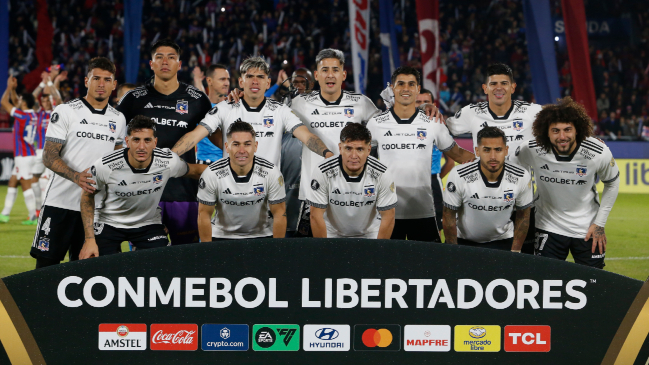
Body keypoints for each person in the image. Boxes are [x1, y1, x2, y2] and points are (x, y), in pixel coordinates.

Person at [31, 57, 127, 268]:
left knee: (87, 271)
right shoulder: (66, 111)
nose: (101, 84)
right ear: (86, 81)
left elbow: (118, 161)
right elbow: (48, 156)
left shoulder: (119, 119)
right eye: (96, 78)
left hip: (96, 209)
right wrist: (76, 177)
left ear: (114, 84)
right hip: (59, 204)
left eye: (107, 79)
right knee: (45, 268)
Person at [117, 39, 213, 245]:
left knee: (186, 258)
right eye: (159, 57)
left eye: (171, 58)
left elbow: (219, 136)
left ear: (179, 64)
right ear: (151, 64)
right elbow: (114, 139)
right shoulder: (133, 98)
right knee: (143, 259)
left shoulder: (197, 99)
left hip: (184, 191)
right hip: (143, 192)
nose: (165, 62)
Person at [366, 67, 475, 242]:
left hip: (423, 210)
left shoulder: (433, 123)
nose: (406, 88)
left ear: (418, 89)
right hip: (387, 212)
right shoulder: (376, 123)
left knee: (428, 266)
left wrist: (490, 163)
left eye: (411, 84)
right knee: (388, 266)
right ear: (393, 88)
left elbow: (458, 153)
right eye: (400, 84)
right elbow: (361, 159)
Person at [445, 63, 542, 253]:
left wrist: (588, 137)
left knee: (522, 262)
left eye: (504, 83)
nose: (499, 87)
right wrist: (460, 153)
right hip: (484, 199)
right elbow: (441, 130)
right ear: (485, 88)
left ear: (513, 87)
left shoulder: (532, 112)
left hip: (520, 195)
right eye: (494, 83)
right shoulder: (471, 112)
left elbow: (564, 122)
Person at [78, 116, 206, 259]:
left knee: (163, 263)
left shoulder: (167, 161)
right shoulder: (106, 165)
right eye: (136, 140)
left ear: (155, 142)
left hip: (147, 223)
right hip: (108, 223)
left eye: (147, 140)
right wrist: (89, 240)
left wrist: (228, 173)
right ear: (127, 141)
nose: (141, 147)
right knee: (96, 265)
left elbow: (196, 171)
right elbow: (86, 196)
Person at [172, 56, 332, 170]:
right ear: (241, 81)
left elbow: (307, 136)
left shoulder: (280, 111)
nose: (255, 81)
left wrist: (327, 154)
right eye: (250, 76)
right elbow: (194, 136)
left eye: (260, 77)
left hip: (269, 196)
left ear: (268, 82)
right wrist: (169, 156)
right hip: (230, 194)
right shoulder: (224, 108)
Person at [516, 97, 620, 268]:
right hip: (547, 226)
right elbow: (515, 172)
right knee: (547, 282)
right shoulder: (532, 149)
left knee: (593, 284)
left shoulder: (597, 151)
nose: (562, 136)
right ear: (546, 132)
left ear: (577, 130)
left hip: (588, 229)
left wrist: (600, 224)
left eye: (567, 130)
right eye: (555, 131)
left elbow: (612, 183)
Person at [290, 49, 381, 236]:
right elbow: (270, 115)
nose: (330, 75)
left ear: (343, 74)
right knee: (312, 259)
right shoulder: (299, 103)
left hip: (354, 195)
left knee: (352, 256)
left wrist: (420, 107)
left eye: (335, 69)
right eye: (324, 70)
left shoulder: (362, 103)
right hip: (313, 196)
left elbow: (388, 127)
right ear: (316, 75)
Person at [443, 127, 533, 251]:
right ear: (477, 151)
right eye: (486, 150)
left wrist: (515, 251)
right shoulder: (459, 174)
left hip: (503, 241)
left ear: (506, 150)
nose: (493, 156)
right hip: (464, 241)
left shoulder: (521, 176)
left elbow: (523, 216)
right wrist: (453, 250)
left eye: (498, 150)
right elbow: (449, 216)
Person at [197, 121, 287, 241]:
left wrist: (277, 250)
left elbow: (279, 214)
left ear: (255, 146)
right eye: (236, 144)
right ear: (227, 147)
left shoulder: (271, 172)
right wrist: (207, 251)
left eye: (247, 144)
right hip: (222, 236)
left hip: (262, 236)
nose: (242, 150)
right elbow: (204, 215)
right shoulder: (211, 174)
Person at [308, 123, 397, 239]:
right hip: (332, 234)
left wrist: (378, 250)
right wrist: (324, 249)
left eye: (360, 149)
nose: (354, 156)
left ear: (368, 150)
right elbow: (315, 215)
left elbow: (388, 216)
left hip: (369, 234)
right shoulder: (323, 171)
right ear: (340, 148)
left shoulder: (382, 173)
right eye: (348, 148)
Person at [0, 77, 39, 224]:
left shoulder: (22, 116)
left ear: (24, 103)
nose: (19, 101)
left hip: (23, 155)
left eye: (21, 100)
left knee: (25, 185)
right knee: (12, 181)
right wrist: (15, 91)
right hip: (28, 153)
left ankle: (33, 216)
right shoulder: (32, 114)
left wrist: (9, 88)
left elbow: (4, 103)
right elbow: (16, 102)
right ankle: (5, 213)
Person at [416, 87, 455, 232]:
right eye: (418, 101)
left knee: (435, 228)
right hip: (405, 183)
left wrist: (436, 176)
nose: (422, 104)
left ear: (433, 104)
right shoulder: (400, 127)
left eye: (426, 101)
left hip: (433, 183)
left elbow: (450, 162)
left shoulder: (440, 128)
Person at [193, 64, 230, 164]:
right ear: (209, 81)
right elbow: (202, 97)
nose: (227, 83)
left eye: (228, 79)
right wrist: (197, 80)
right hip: (203, 164)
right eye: (222, 79)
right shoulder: (200, 107)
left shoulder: (234, 108)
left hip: (226, 165)